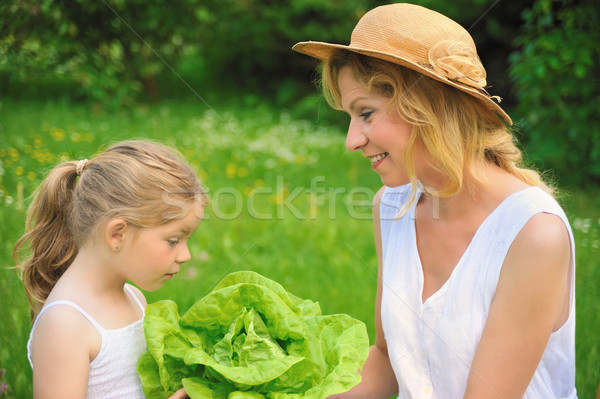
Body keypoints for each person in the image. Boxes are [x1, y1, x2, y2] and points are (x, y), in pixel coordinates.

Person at [293, 3, 576, 398]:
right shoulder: (391, 206)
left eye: (366, 114)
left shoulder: (533, 234)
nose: (352, 140)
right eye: (349, 117)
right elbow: (388, 359)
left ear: (426, 106)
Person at [13, 140, 208, 399]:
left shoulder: (134, 298)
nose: (185, 255)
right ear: (117, 234)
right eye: (173, 240)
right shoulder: (65, 325)